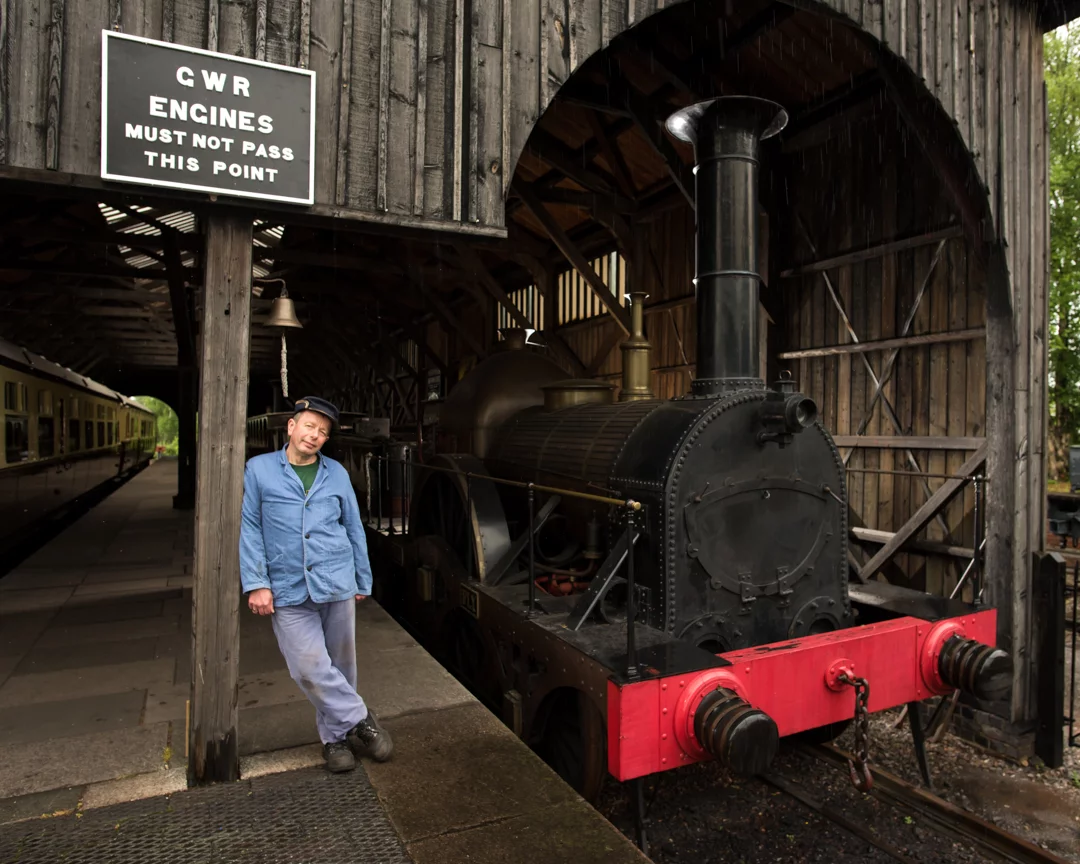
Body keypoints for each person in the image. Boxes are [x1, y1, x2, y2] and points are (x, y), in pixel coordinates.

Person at [239, 396, 393, 773]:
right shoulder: (258, 469)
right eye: (309, 426)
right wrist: (256, 583)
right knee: (308, 668)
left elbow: (353, 526)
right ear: (292, 427)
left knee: (341, 666)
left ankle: (334, 741)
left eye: (323, 432)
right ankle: (361, 719)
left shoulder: (336, 472)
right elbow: (250, 527)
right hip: (287, 585)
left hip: (336, 580)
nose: (315, 435)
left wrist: (362, 578)